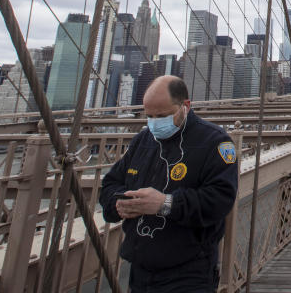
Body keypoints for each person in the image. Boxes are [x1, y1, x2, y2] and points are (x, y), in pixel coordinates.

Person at [100, 75, 238, 292]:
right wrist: (118, 203)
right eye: (150, 116)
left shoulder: (215, 142)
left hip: (188, 274)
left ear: (185, 106)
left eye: (162, 115)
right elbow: (110, 184)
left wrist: (166, 203)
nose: (155, 122)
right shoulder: (143, 141)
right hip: (140, 270)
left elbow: (220, 200)